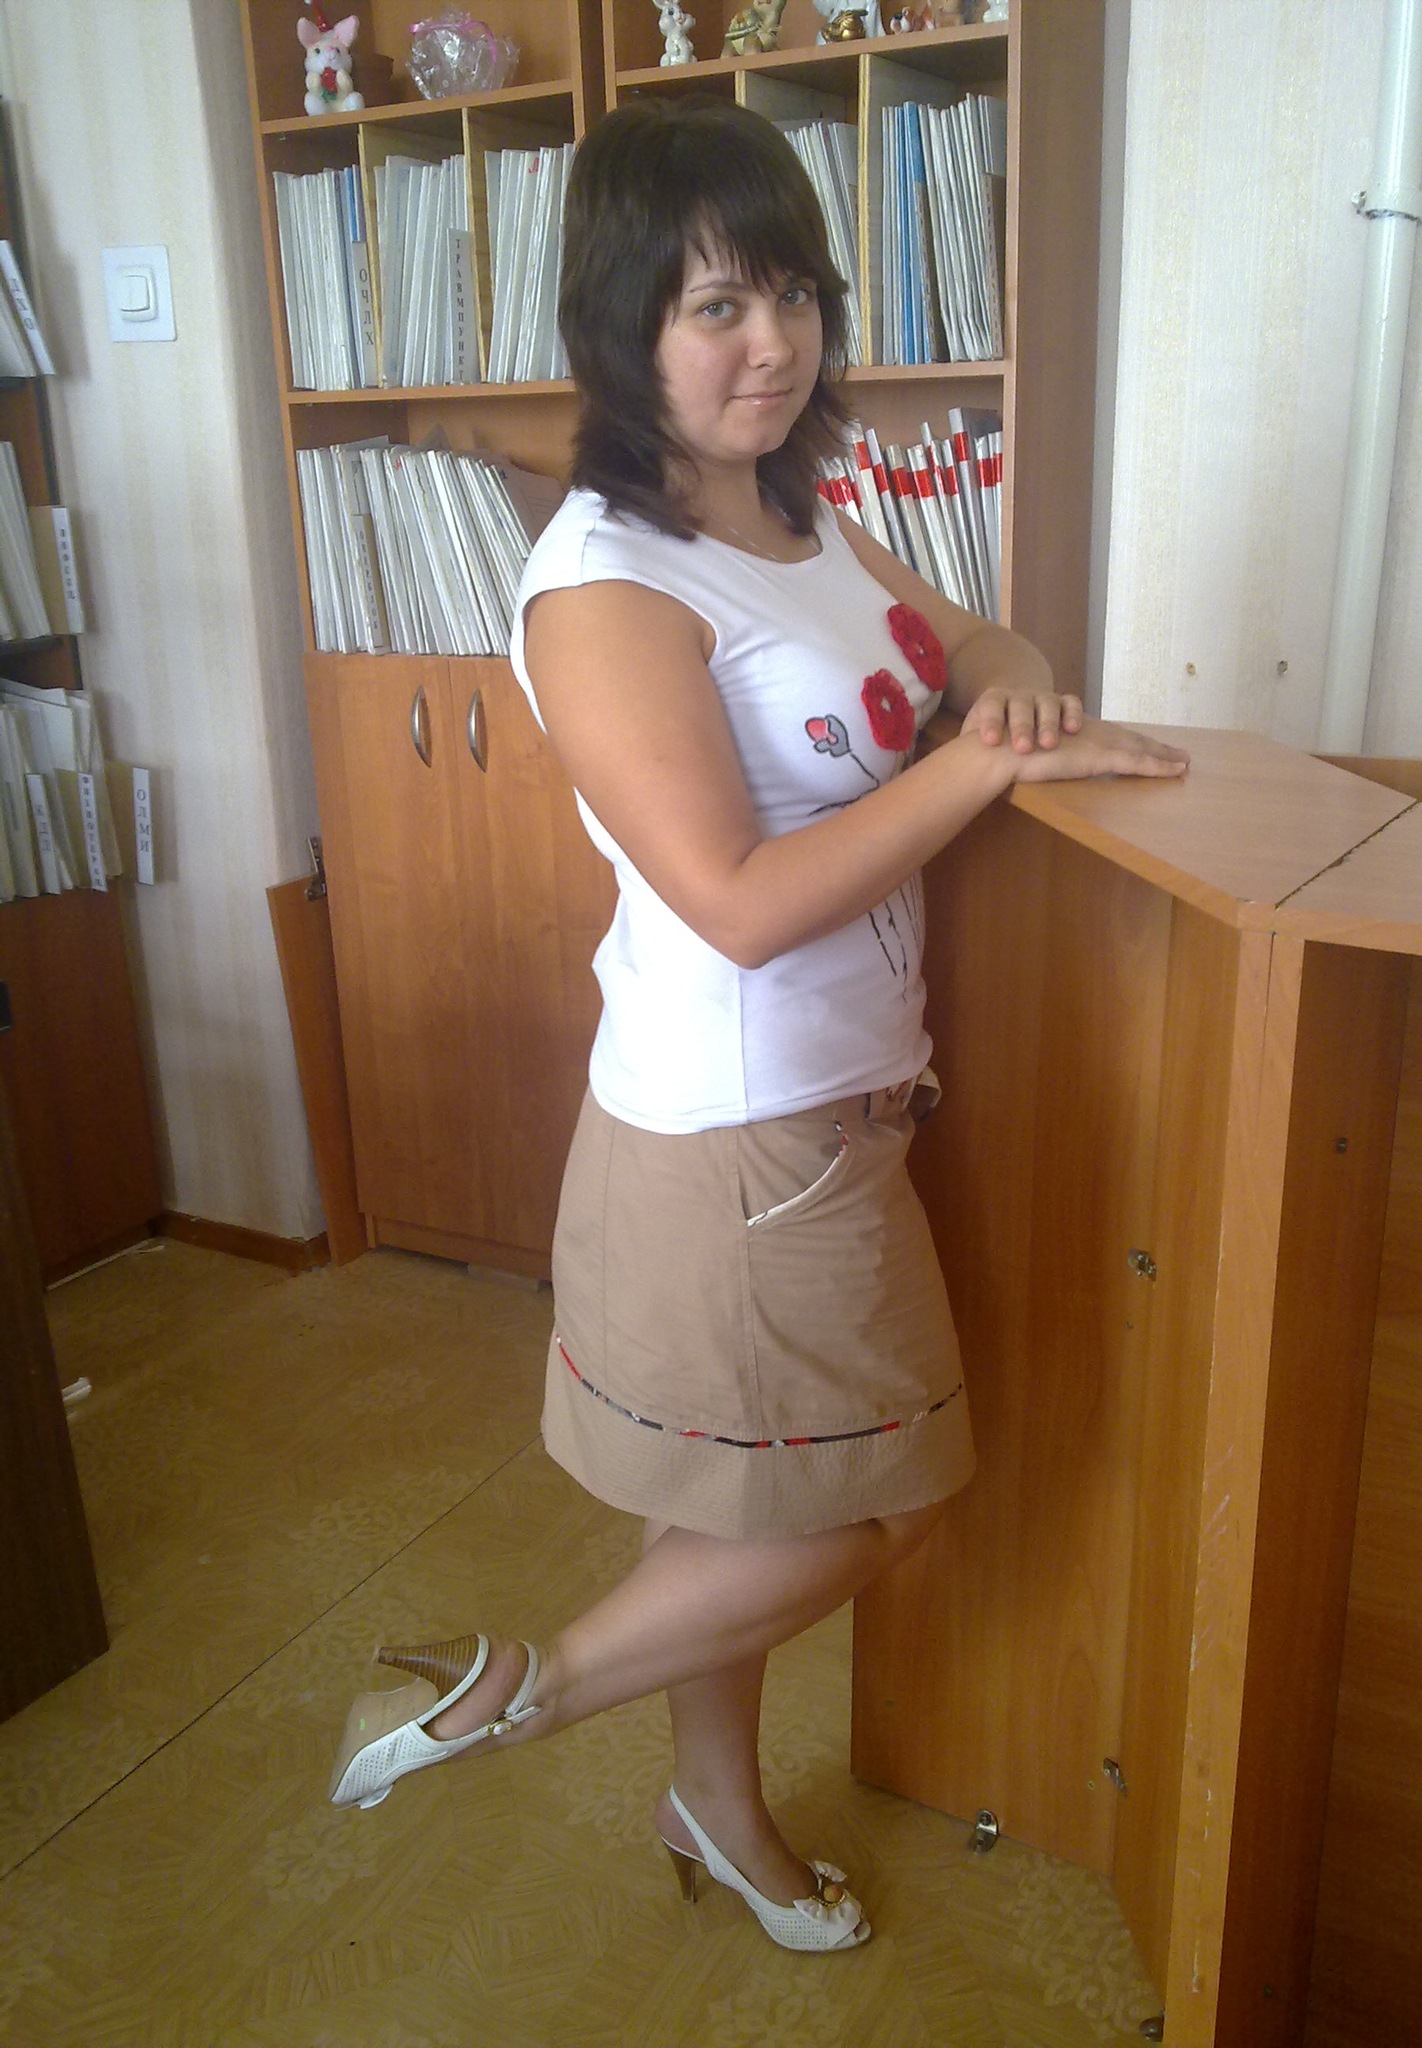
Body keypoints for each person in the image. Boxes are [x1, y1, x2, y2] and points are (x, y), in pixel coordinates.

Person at [328, 95, 1188, 1954]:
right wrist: (977, 769)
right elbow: (733, 899)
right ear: (623, 325)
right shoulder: (604, 586)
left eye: (791, 292)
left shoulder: (797, 517)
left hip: (827, 1114)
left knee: (734, 1514)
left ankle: (713, 1811)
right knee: (887, 1510)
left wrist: (1012, 700)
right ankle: (526, 1692)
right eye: (715, 305)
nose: (770, 342)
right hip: (740, 1143)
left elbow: (978, 647)